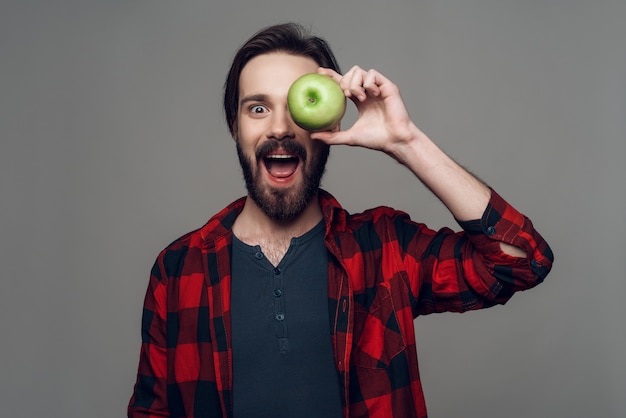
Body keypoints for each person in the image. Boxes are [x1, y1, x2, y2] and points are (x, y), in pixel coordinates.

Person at [128, 22, 553, 418]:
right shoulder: (179, 269)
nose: (279, 128)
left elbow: (521, 261)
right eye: (258, 109)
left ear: (329, 122)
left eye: (296, 105)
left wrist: (406, 143)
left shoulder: (385, 248)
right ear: (234, 128)